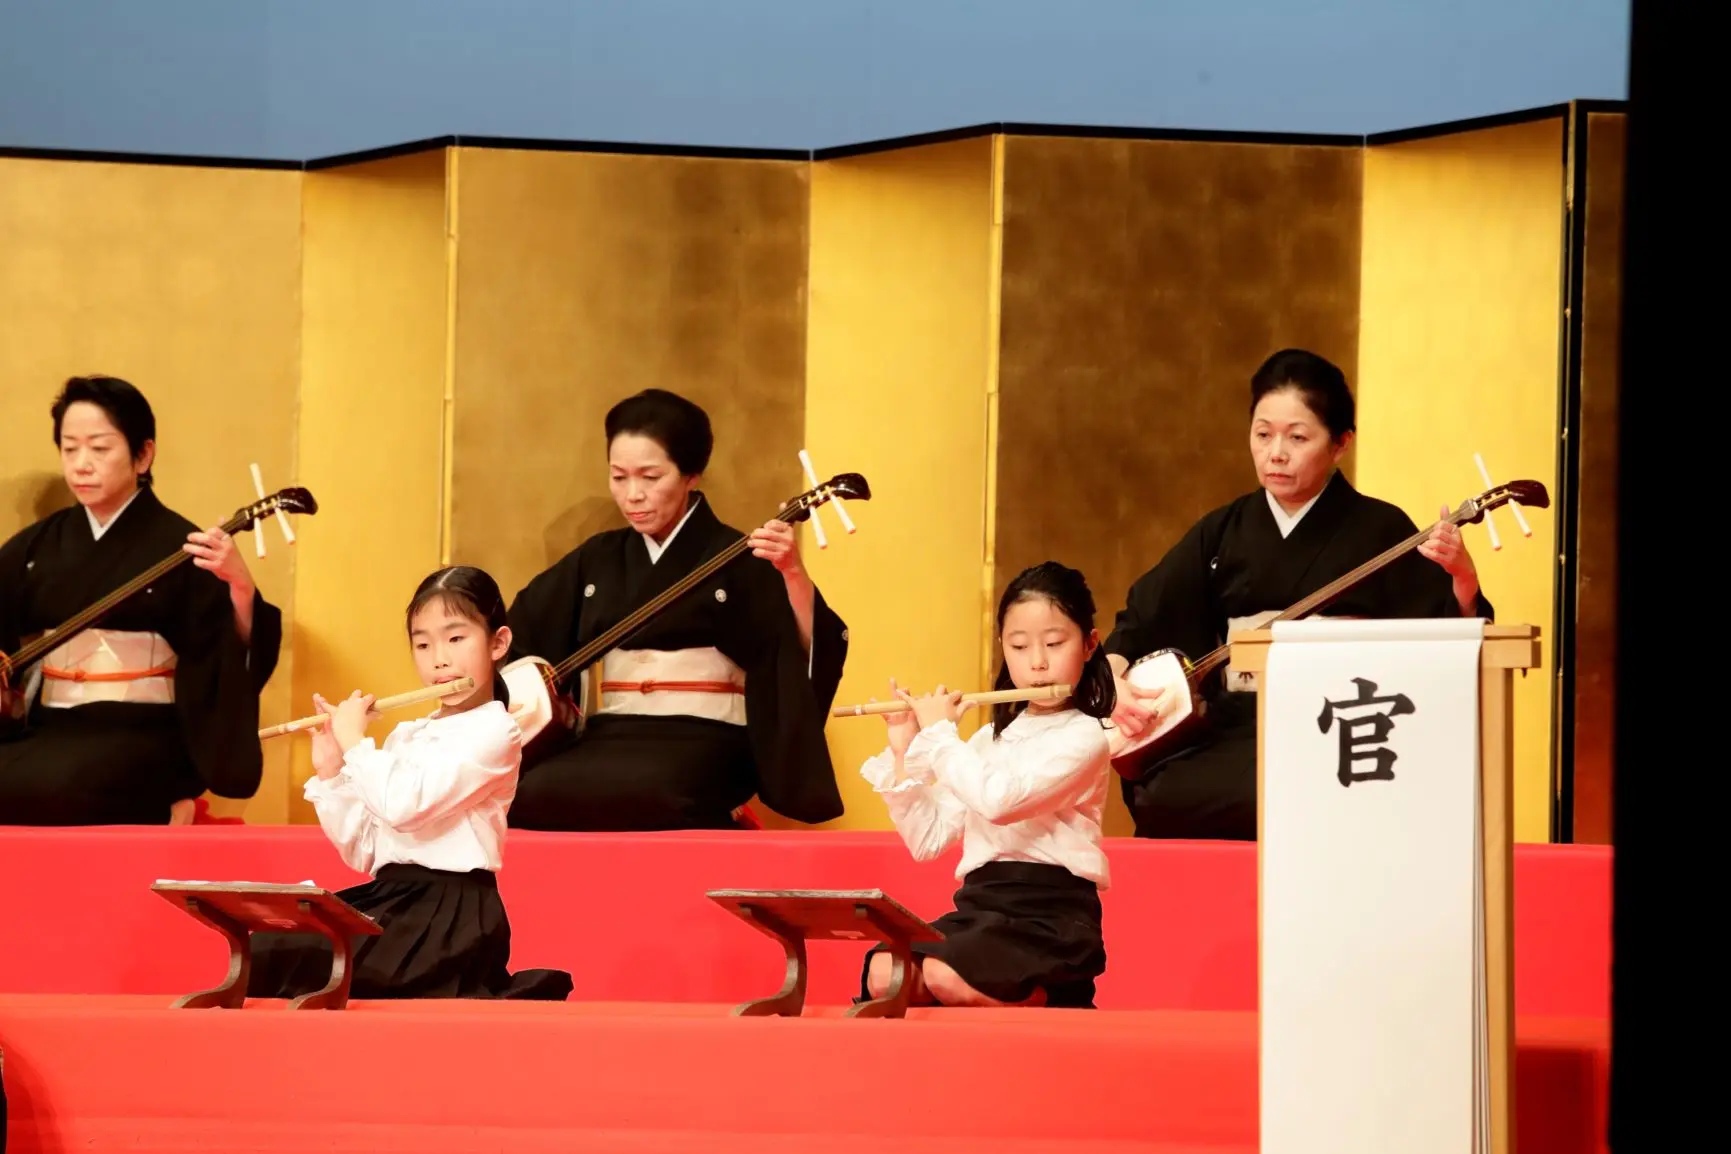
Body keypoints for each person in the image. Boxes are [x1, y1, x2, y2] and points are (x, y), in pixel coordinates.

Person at [1105, 348, 1495, 841]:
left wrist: (1462, 581)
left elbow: (1445, 638)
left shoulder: (1381, 530)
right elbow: (1143, 618)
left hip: (1341, 726)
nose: (1276, 453)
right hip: (1238, 730)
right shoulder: (1221, 533)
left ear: (1340, 443)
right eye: (1263, 434)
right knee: (1164, 793)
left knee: (1293, 787)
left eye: (1298, 437)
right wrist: (1112, 676)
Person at [504, 389, 847, 831]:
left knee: (656, 793)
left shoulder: (737, 554)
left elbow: (801, 649)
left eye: (650, 477)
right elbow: (518, 635)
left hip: (707, 733)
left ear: (692, 475)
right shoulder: (598, 558)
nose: (633, 495)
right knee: (531, 795)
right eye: (619, 477)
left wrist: (793, 574)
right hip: (613, 732)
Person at [247, 566, 572, 1001]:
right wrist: (332, 770)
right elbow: (366, 851)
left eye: (456, 638)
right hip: (393, 898)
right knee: (269, 947)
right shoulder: (408, 735)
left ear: (498, 643)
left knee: (298, 958)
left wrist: (355, 742)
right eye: (423, 644)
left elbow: (402, 806)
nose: (439, 659)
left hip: (449, 917)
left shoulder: (496, 732)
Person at [0, 376, 281, 826]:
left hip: (145, 729)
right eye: (70, 449)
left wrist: (241, 589)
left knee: (64, 785)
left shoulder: (179, 545)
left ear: (143, 454)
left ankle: (162, 807)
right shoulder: (37, 546)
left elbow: (225, 653)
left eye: (99, 448)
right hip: (53, 725)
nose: (81, 465)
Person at [858, 561, 1114, 1009]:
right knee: (886, 973)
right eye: (1019, 646)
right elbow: (928, 840)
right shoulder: (986, 740)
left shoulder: (1087, 736)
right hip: (981, 905)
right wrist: (903, 749)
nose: (1037, 662)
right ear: (1003, 648)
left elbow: (999, 801)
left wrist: (940, 735)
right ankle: (1009, 996)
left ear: (1089, 644)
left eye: (1055, 643)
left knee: (943, 974)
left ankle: (1055, 995)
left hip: (1050, 914)